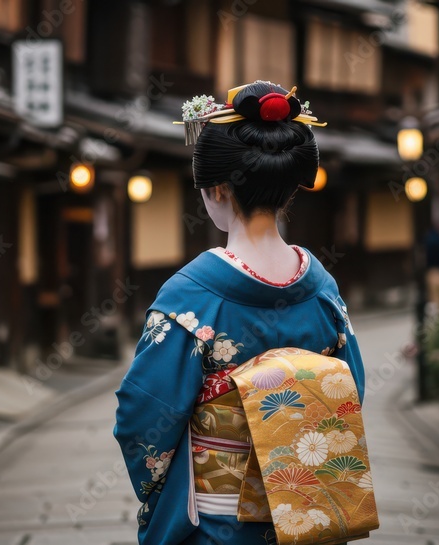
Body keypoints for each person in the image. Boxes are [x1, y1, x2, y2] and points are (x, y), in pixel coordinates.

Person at [113, 81, 367, 545]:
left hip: (217, 524)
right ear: (289, 187)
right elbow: (351, 391)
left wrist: (160, 494)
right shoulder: (323, 290)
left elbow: (142, 415)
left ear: (216, 189)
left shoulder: (189, 297)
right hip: (308, 516)